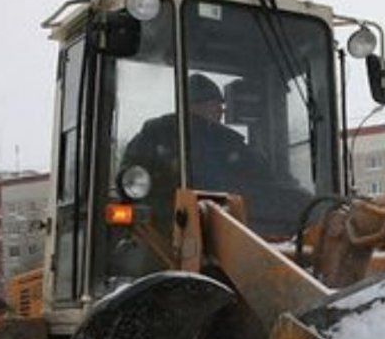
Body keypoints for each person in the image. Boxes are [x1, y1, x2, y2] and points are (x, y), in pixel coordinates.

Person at [121, 73, 310, 238]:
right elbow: (265, 180)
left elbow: (264, 182)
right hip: (179, 229)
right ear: (199, 105)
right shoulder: (227, 143)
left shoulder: (154, 134)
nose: (221, 111)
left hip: (196, 227)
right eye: (217, 105)